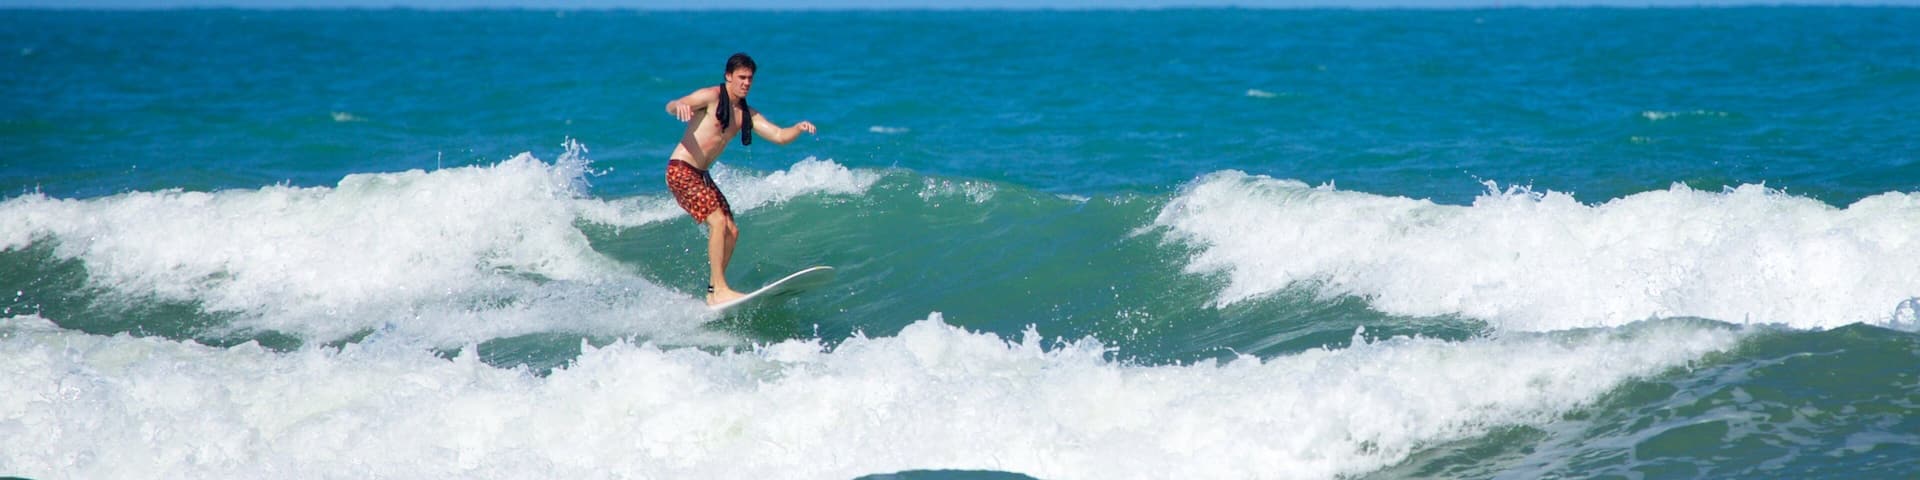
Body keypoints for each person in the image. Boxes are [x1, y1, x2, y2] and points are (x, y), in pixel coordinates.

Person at [663, 52, 818, 305]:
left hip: (701, 175)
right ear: (728, 77)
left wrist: (798, 128)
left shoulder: (747, 114)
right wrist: (677, 106)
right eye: (741, 78)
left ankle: (714, 291)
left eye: (750, 79)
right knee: (718, 223)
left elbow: (778, 135)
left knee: (732, 231)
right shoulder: (712, 96)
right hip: (681, 169)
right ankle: (721, 288)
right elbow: (675, 103)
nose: (746, 83)